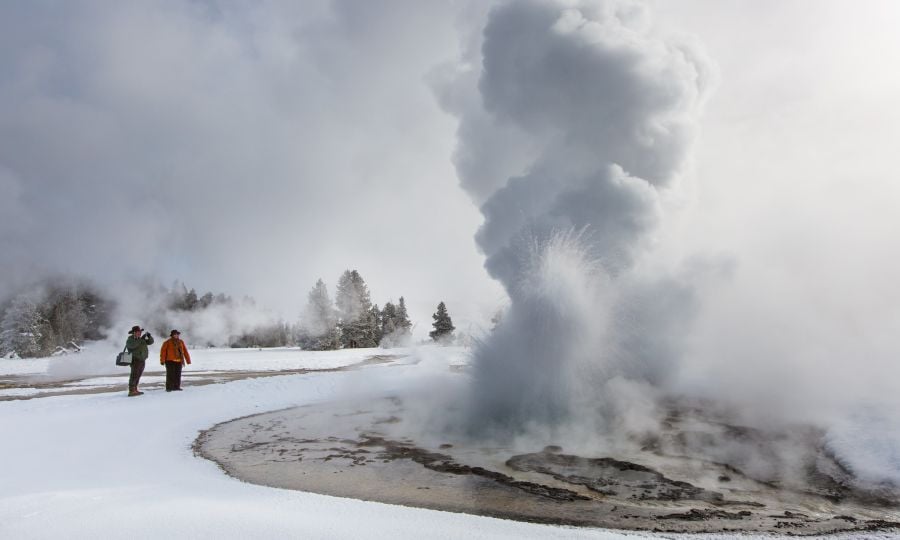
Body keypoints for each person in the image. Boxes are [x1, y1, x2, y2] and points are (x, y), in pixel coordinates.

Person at [125, 325, 154, 397]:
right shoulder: (130, 339)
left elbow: (150, 342)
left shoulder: (141, 339)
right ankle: (131, 390)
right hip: (135, 359)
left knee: (138, 375)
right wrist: (140, 339)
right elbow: (132, 346)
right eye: (137, 332)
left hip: (142, 359)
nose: (139, 333)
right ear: (133, 333)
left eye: (140, 332)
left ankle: (135, 389)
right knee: (134, 375)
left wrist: (149, 336)